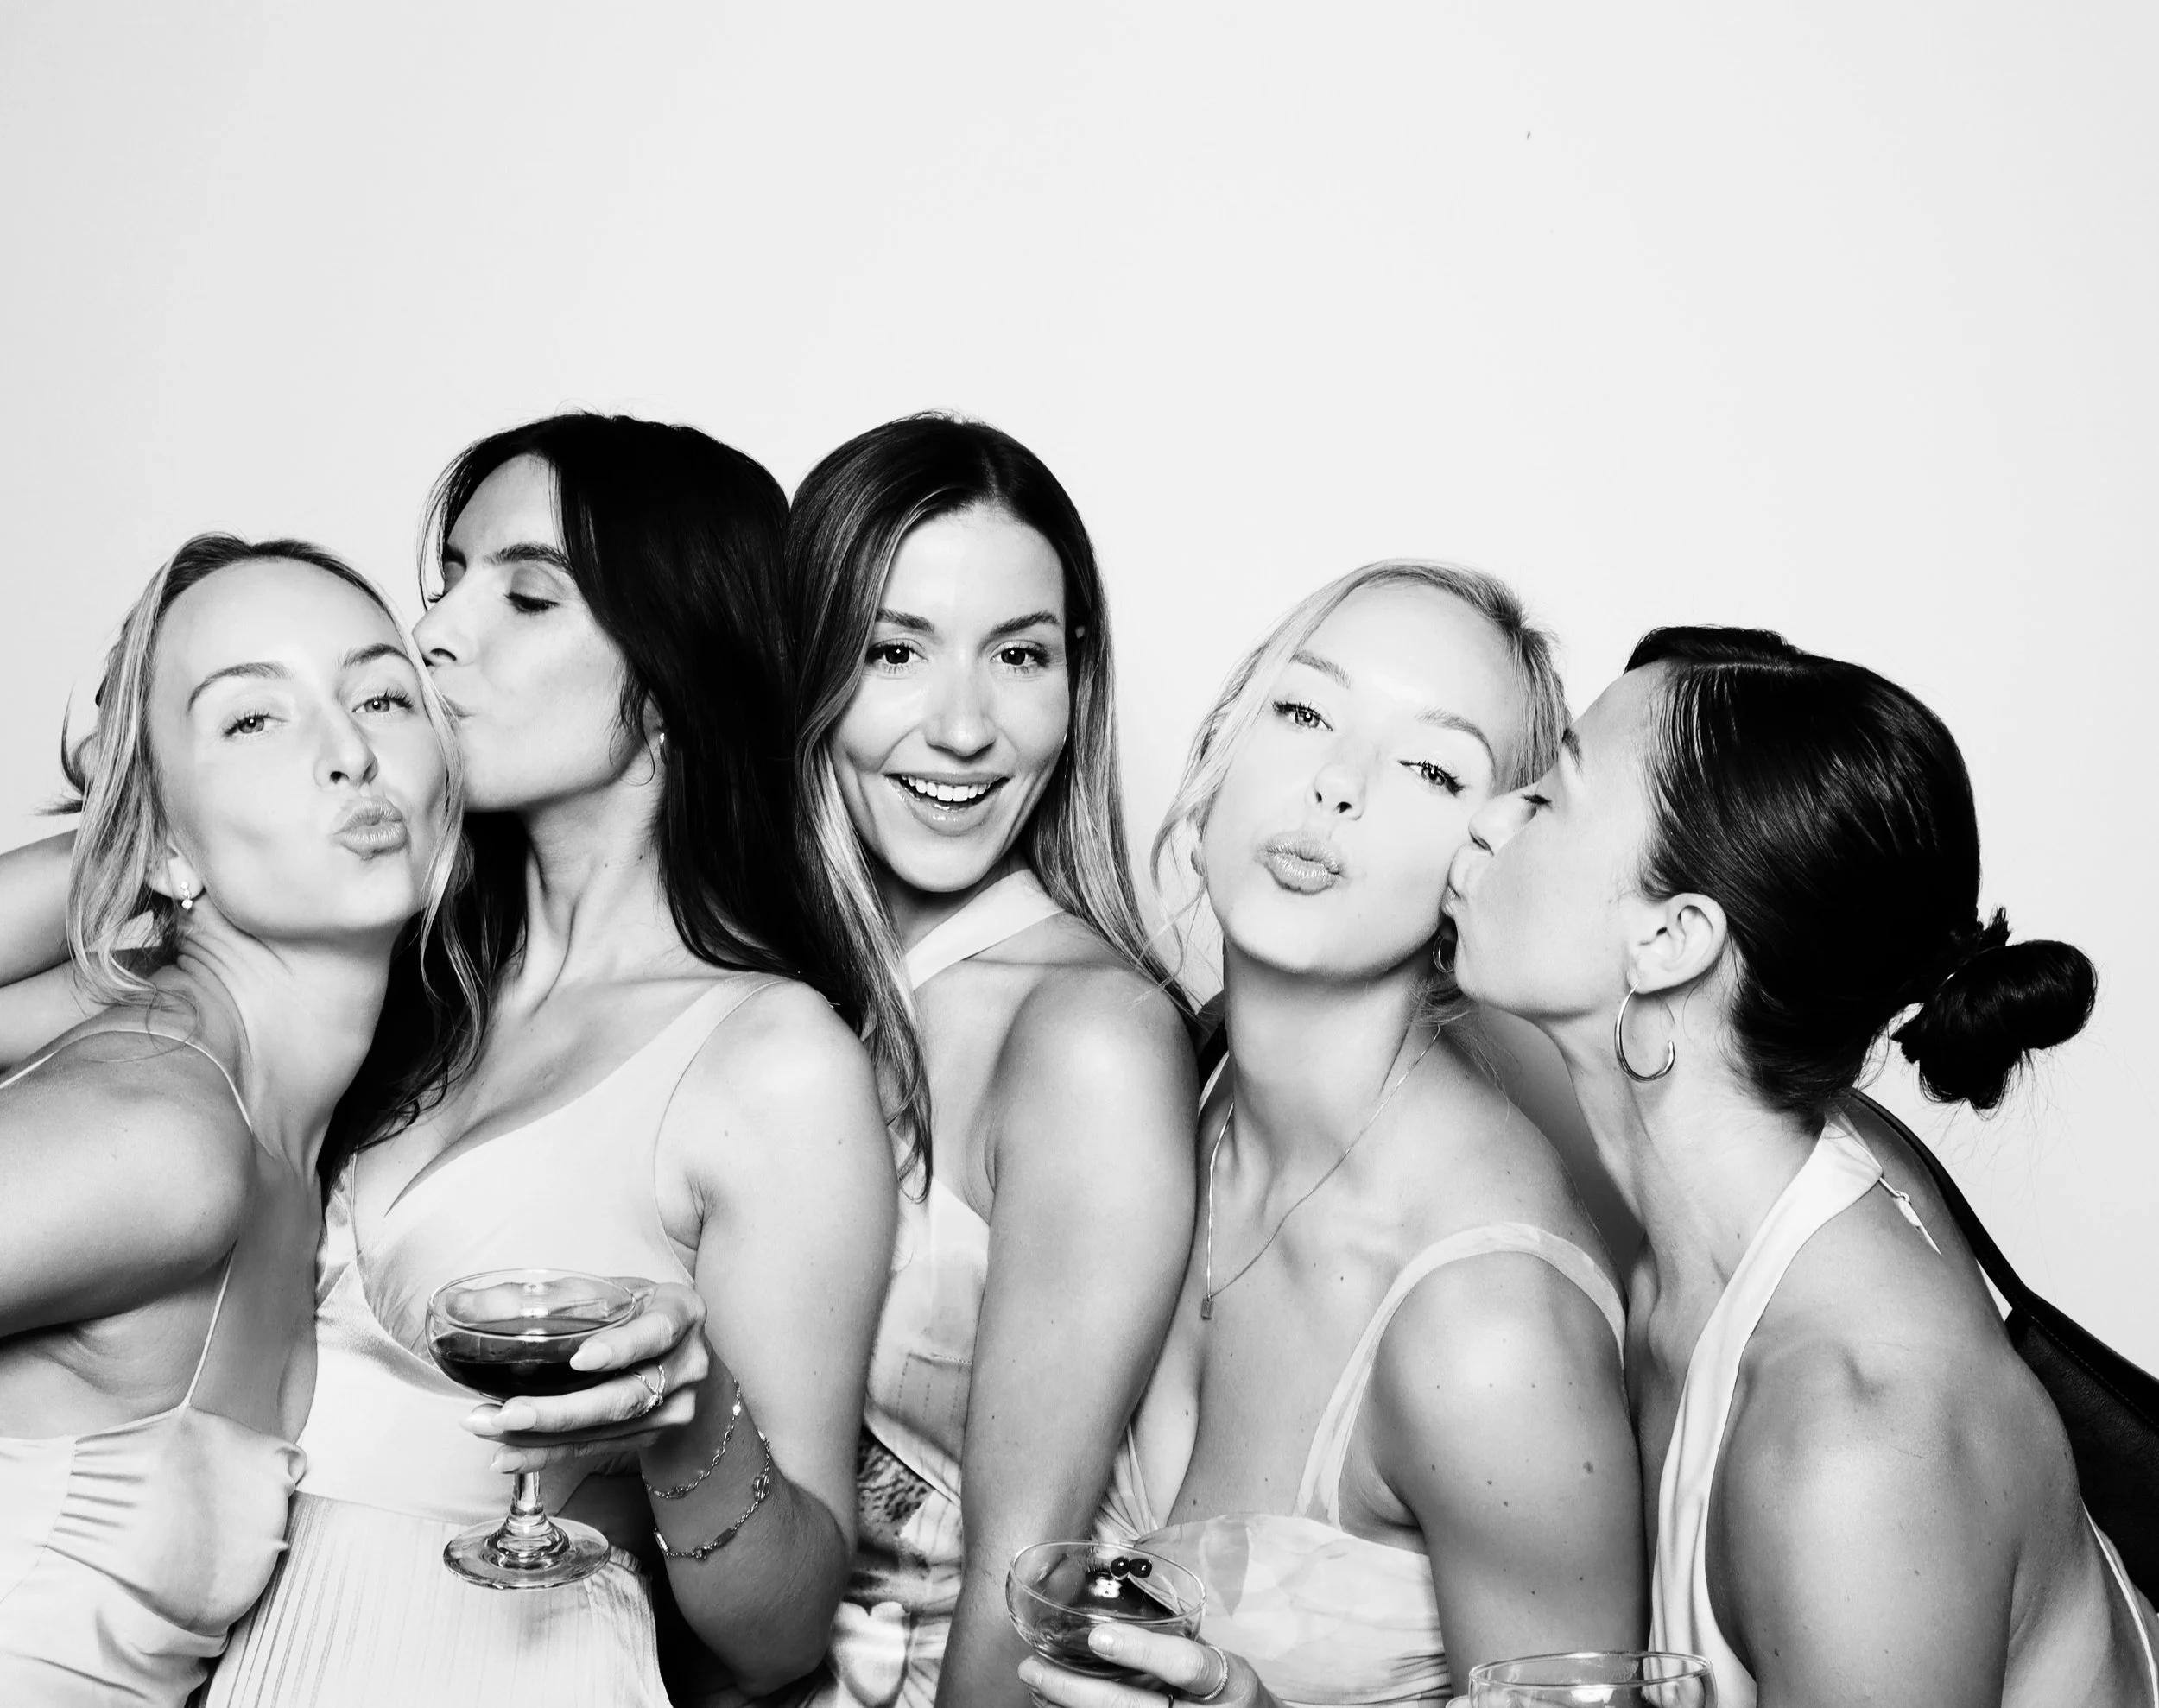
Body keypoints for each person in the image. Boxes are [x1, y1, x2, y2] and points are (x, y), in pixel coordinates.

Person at [191, 416, 899, 1707]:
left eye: (525, 594)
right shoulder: (396, 964)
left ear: (676, 668)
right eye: (443, 582)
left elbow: (782, 1635)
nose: (441, 632)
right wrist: (174, 797)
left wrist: (687, 1424)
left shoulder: (769, 1059)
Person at [1441, 625, 2159, 1706]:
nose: (1489, 814)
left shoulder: (1854, 1446)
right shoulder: (1716, 1225)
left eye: (1547, 797)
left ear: (1671, 939)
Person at [1026, 561, 1644, 1708]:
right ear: (1220, 744)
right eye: (1304, 711)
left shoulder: (1487, 1331)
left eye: (1430, 765)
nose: (1338, 784)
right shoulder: (1167, 1099)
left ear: (1490, 856)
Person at [762, 414, 1195, 1708]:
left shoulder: (1090, 1036)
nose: (964, 727)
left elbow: (1033, 1576)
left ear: (1077, 682)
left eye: (1020, 655)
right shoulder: (765, 992)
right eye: (893, 652)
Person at [0, 534, 467, 1705]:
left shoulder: (290, 1126)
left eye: (381, 693)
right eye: (253, 720)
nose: (350, 752)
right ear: (162, 834)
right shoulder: (163, 1133)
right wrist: (130, 826)